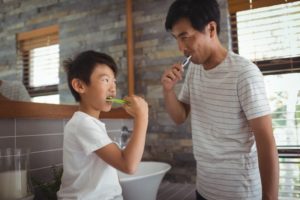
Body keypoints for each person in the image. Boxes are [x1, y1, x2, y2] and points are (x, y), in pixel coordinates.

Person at [161, 0, 279, 199]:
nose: (181, 47)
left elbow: (266, 141)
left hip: (240, 193)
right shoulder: (195, 69)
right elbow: (180, 116)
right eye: (176, 38)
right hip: (204, 189)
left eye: (185, 37)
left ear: (211, 28)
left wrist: (270, 197)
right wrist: (167, 90)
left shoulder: (244, 73)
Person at [57, 50, 148, 200]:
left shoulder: (90, 123)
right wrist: (142, 117)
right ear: (79, 85)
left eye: (114, 81)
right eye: (105, 80)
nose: (113, 88)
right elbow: (129, 165)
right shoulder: (83, 124)